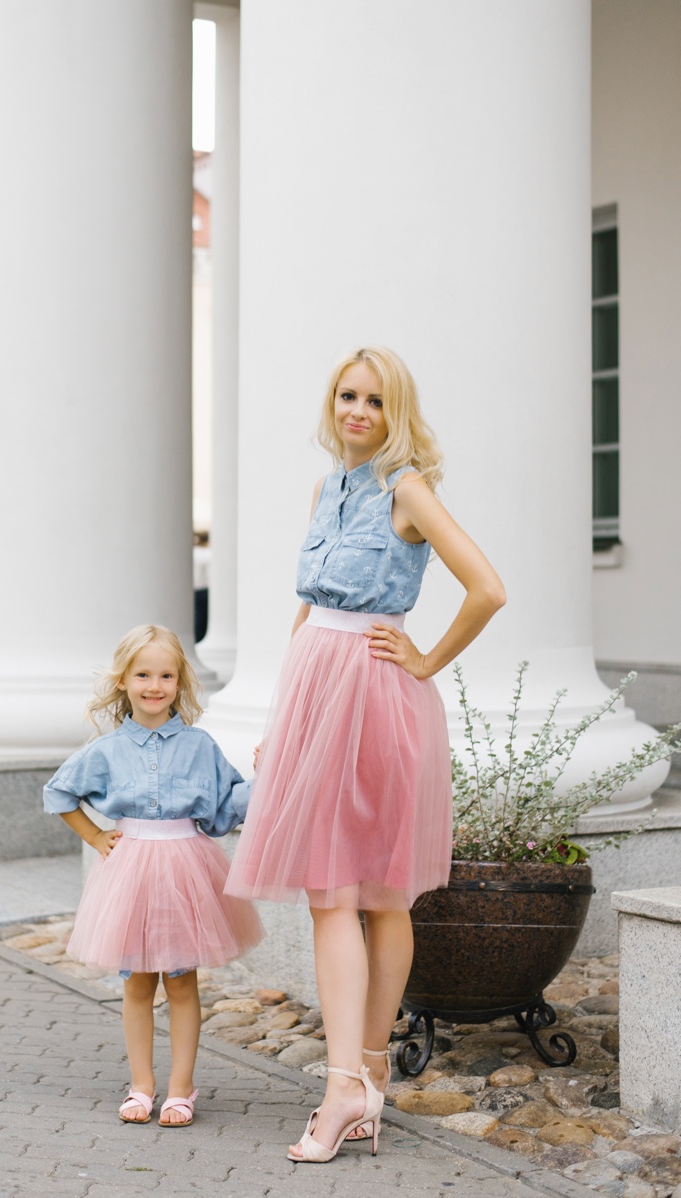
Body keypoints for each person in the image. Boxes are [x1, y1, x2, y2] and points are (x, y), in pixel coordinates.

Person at [226, 347, 506, 1163]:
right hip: (319, 694)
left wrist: (425, 659)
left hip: (377, 699)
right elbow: (308, 612)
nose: (357, 411)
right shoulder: (326, 488)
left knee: (363, 895)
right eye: (347, 396)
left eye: (375, 401)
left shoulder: (407, 488)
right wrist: (285, 725)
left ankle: (348, 1082)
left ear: (398, 413)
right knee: (351, 894)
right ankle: (366, 1080)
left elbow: (486, 586)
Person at [44, 625, 263, 1128]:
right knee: (138, 983)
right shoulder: (105, 750)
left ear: (179, 682)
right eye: (143, 674)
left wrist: (263, 778)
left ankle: (182, 1088)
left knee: (182, 981)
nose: (154, 685)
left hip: (186, 868)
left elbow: (225, 811)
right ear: (123, 680)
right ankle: (141, 1085)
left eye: (166, 675)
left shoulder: (199, 745)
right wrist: (97, 837)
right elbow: (59, 794)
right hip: (131, 873)